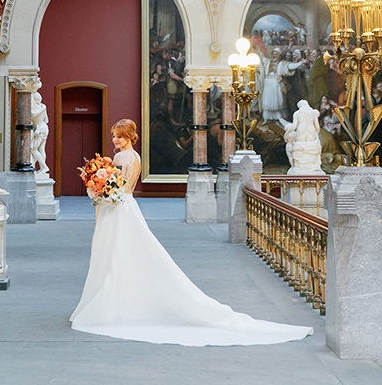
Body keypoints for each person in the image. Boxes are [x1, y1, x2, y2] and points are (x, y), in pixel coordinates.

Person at [70, 118, 313, 347]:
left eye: (119, 137)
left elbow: (116, 188)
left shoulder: (123, 157)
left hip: (117, 208)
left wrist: (97, 189)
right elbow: (125, 188)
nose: (115, 141)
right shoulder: (135, 156)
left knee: (115, 252)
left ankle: (115, 302)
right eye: (114, 137)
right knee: (128, 250)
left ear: (129, 137)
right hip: (128, 206)